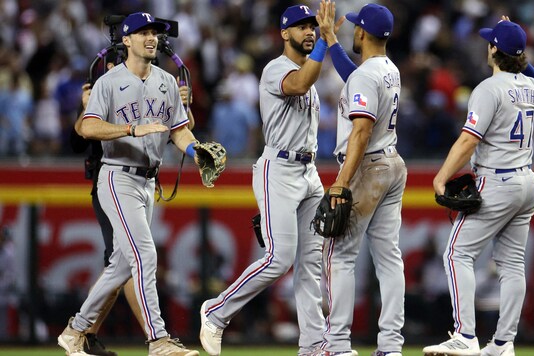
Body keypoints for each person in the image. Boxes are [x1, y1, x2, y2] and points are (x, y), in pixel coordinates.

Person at [58, 12, 203, 356]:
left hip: (147, 181)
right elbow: (87, 127)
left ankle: (75, 330)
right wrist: (130, 129)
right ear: (126, 40)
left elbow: (179, 129)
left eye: (154, 32)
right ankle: (158, 340)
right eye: (143, 33)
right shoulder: (109, 82)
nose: (151, 38)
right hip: (116, 175)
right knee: (145, 255)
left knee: (122, 264)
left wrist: (197, 151)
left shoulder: (167, 81)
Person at [199, 3, 331, 356]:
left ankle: (314, 345)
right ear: (284, 33)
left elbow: (310, 82)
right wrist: (324, 45)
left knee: (311, 266)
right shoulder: (276, 69)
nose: (309, 32)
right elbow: (300, 84)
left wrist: (328, 40)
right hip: (280, 169)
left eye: (311, 27)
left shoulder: (312, 72)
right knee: (279, 258)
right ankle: (216, 311)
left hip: (308, 171)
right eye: (301, 27)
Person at [422, 16, 534, 356]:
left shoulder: (487, 89)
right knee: (512, 265)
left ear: (494, 49)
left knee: (456, 253)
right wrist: (517, 46)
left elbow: (467, 141)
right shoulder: (531, 88)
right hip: (527, 182)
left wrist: (441, 176)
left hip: (499, 180)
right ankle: (504, 344)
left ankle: (465, 335)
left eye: (490, 42)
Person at [317, 3, 407, 356]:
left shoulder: (366, 76)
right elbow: (354, 77)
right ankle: (390, 346)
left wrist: (341, 181)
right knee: (389, 259)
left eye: (355, 26)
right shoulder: (388, 69)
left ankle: (337, 344)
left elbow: (361, 131)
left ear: (363, 33)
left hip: (367, 166)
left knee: (338, 255)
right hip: (392, 163)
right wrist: (329, 39)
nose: (351, 30)